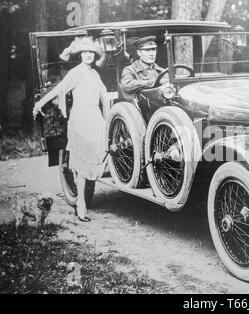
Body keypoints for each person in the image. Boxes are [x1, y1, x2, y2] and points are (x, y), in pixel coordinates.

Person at [33, 37, 109, 223]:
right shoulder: (76, 72)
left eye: (91, 53)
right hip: (80, 118)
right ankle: (81, 204)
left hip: (95, 118)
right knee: (82, 164)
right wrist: (40, 103)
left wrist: (107, 119)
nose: (88, 55)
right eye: (85, 53)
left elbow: (104, 96)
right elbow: (60, 88)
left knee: (96, 157)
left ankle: (83, 199)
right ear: (80, 55)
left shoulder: (95, 75)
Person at [120, 36, 165, 102]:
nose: (152, 54)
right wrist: (153, 82)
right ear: (139, 52)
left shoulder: (161, 71)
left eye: (153, 49)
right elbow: (127, 85)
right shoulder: (130, 70)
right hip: (142, 108)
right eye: (147, 50)